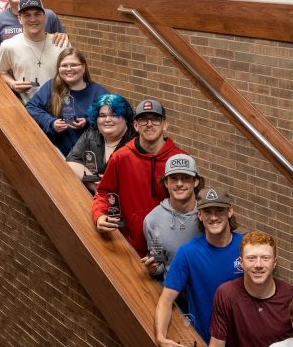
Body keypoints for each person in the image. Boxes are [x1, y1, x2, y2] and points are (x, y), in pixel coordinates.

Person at [204, 231, 293, 347]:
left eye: (265, 258)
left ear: (274, 263)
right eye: (251, 258)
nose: (258, 265)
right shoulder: (226, 294)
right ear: (241, 263)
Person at [154, 187, 243, 347]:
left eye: (219, 211)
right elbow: (165, 300)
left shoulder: (246, 247)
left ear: (230, 211)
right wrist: (160, 337)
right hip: (206, 345)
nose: (214, 217)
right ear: (200, 215)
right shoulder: (187, 253)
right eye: (207, 212)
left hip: (243, 343)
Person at [92, 99, 186, 255]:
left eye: (155, 119)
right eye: (143, 119)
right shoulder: (120, 157)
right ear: (135, 125)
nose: (149, 124)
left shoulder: (180, 159)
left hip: (172, 249)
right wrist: (99, 215)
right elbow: (103, 193)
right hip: (131, 248)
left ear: (165, 125)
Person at [25, 48, 108, 156]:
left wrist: (87, 122)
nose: (69, 69)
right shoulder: (51, 87)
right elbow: (31, 107)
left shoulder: (98, 92)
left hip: (90, 155)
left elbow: (114, 118)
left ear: (83, 67)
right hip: (58, 154)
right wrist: (51, 123)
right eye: (64, 65)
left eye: (73, 65)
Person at [140, 154, 203, 281]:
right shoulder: (152, 220)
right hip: (174, 294)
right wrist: (153, 268)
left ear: (195, 181)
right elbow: (160, 265)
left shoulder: (209, 215)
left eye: (186, 178)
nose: (179, 184)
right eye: (173, 178)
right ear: (166, 182)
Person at [0, 0, 64, 104]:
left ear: (45, 17)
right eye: (27, 15)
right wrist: (12, 83)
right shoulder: (9, 46)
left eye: (37, 14)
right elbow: (0, 71)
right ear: (20, 19)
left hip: (60, 106)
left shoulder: (60, 43)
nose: (33, 19)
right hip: (28, 109)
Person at [66, 94, 137, 190]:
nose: (107, 120)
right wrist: (94, 183)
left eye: (114, 115)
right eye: (102, 116)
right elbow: (72, 160)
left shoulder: (136, 141)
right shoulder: (91, 133)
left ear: (126, 119)